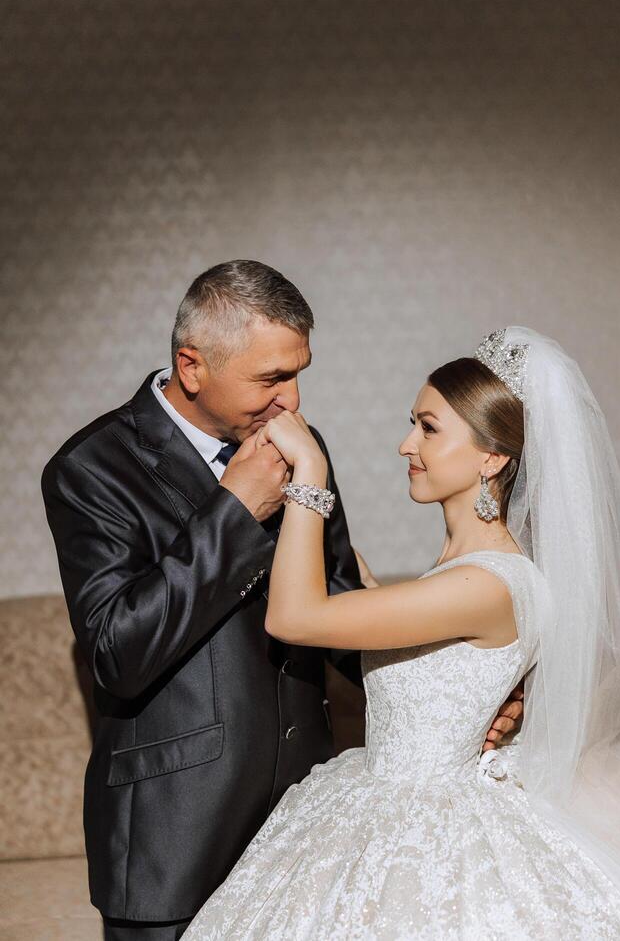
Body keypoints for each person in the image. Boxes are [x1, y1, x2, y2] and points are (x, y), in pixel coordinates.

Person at [41, 262, 520, 941]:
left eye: (299, 374)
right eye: (271, 379)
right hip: (173, 832)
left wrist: (456, 690)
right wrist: (235, 511)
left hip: (305, 825)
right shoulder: (91, 468)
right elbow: (118, 652)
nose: (292, 402)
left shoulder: (302, 448)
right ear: (192, 365)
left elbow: (340, 605)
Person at [184, 327, 620, 940]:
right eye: (413, 423)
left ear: (492, 457)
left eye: (429, 428)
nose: (407, 444)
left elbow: (293, 618)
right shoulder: (463, 577)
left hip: (427, 821)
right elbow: (420, 649)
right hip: (377, 796)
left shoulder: (487, 584)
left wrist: (311, 470)